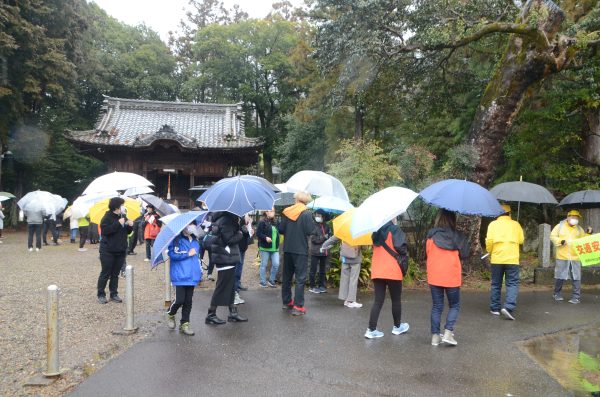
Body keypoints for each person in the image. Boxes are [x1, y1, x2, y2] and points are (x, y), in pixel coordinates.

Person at [425, 210, 469, 346]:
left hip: (435, 275)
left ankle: (435, 337)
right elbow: (466, 253)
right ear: (453, 219)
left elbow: (427, 253)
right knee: (454, 305)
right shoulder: (458, 236)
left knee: (437, 306)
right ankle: (448, 333)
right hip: (452, 276)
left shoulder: (431, 235)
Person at [365, 218, 410, 339]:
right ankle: (397, 327)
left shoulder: (375, 232)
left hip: (378, 270)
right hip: (392, 270)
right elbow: (402, 248)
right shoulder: (395, 230)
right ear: (392, 217)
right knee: (396, 299)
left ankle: (371, 329)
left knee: (378, 301)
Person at [204, 211, 248, 325]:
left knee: (230, 285)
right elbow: (229, 239)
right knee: (222, 286)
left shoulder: (224, 219)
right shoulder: (226, 220)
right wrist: (240, 232)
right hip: (225, 257)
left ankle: (233, 312)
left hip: (225, 257)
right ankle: (211, 314)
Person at [278, 191, 316, 316]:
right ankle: (298, 306)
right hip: (300, 250)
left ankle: (286, 302)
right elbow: (311, 231)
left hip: (288, 248)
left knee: (287, 277)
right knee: (300, 279)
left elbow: (281, 229)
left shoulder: (286, 212)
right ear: (305, 201)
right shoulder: (306, 213)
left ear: (297, 200)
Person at [485, 204, 524, 321]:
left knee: (496, 283)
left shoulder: (493, 224)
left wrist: (489, 251)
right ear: (509, 213)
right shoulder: (516, 224)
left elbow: (489, 241)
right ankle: (509, 306)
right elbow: (521, 240)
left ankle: (495, 308)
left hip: (497, 258)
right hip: (512, 259)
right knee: (512, 283)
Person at [166, 223, 202, 335]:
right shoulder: (176, 239)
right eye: (189, 225)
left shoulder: (196, 240)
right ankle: (170, 313)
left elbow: (197, 256)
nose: (191, 227)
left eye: (193, 225)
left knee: (188, 301)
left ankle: (184, 324)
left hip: (192, 275)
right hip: (180, 274)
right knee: (180, 300)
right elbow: (172, 254)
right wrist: (188, 253)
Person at [550, 209, 592, 304]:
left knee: (576, 277)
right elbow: (552, 236)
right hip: (562, 255)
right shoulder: (560, 226)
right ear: (568, 217)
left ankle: (576, 297)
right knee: (559, 276)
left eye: (577, 217)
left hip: (575, 256)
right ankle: (556, 293)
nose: (575, 219)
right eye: (573, 217)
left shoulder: (579, 229)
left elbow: (583, 241)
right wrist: (560, 241)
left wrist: (588, 234)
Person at [97, 197, 133, 304]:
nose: (123, 207)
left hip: (120, 250)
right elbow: (105, 231)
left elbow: (126, 232)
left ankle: (114, 294)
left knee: (115, 273)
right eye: (122, 205)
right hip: (107, 250)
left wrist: (130, 226)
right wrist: (118, 223)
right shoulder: (106, 217)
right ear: (116, 207)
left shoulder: (123, 216)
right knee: (105, 272)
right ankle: (101, 294)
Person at [321, 235, 364, 308]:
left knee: (344, 278)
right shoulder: (359, 231)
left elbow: (333, 239)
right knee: (353, 279)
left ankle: (345, 299)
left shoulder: (343, 230)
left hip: (344, 257)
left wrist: (324, 245)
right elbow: (365, 247)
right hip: (355, 259)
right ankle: (351, 301)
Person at [308, 209, 332, 294]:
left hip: (324, 251)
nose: (317, 217)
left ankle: (321, 286)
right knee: (313, 270)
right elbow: (313, 239)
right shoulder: (313, 225)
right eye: (316, 215)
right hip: (315, 251)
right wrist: (323, 238)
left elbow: (330, 237)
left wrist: (328, 237)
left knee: (322, 270)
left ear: (323, 216)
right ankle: (312, 286)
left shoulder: (327, 226)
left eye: (319, 215)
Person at [256, 209, 280, 288]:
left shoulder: (276, 222)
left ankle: (271, 280)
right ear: (266, 212)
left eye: (273, 211)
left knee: (276, 264)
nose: (273, 212)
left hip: (275, 248)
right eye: (271, 210)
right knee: (264, 264)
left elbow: (280, 231)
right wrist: (265, 237)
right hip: (265, 247)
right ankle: (263, 281)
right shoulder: (262, 222)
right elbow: (258, 233)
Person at [233, 215, 252, 305]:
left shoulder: (243, 219)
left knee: (239, 268)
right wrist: (243, 226)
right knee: (236, 269)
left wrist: (250, 230)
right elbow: (238, 232)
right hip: (237, 247)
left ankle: (237, 285)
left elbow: (246, 234)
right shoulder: (236, 218)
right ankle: (234, 291)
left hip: (243, 247)